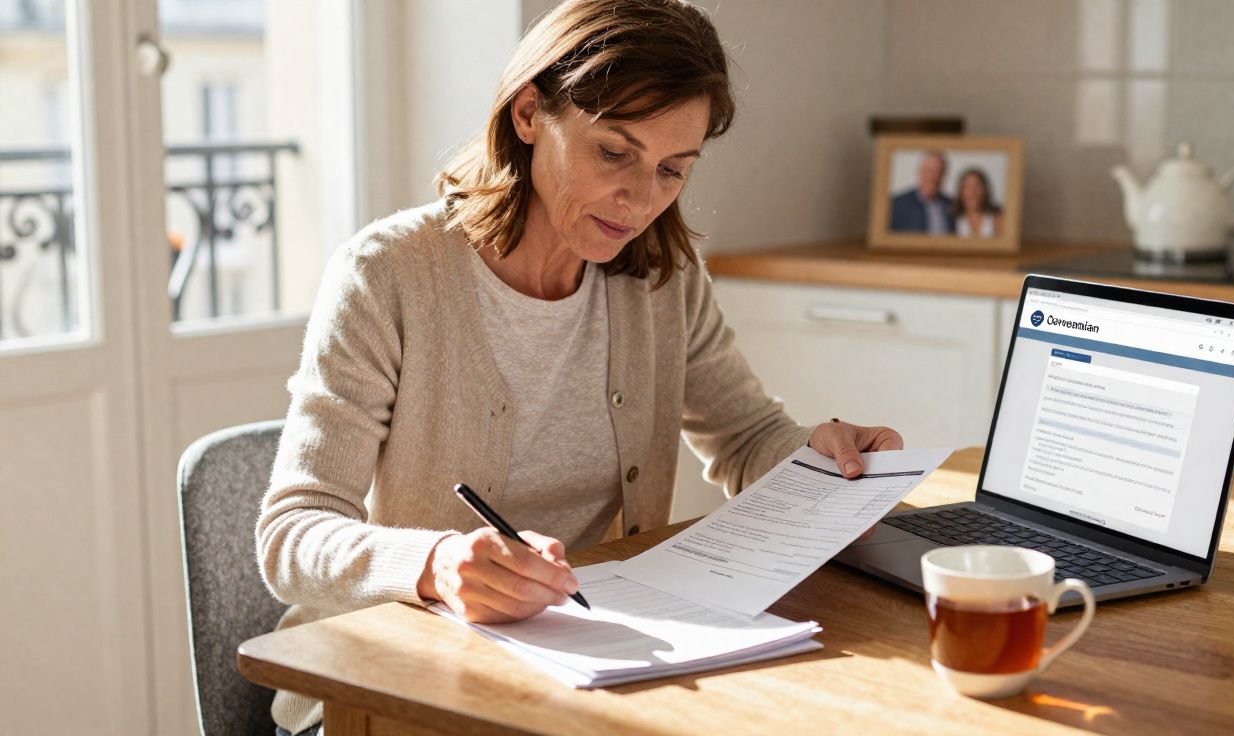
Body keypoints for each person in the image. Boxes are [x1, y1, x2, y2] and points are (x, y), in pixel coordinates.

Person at [256, 2, 903, 734]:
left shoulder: (662, 279)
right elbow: (291, 535)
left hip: (593, 677)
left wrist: (816, 455)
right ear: (530, 112)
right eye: (614, 153)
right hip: (389, 694)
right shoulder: (387, 275)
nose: (641, 199)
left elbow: (745, 436)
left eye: (671, 171)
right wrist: (436, 564)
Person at [888, 150, 951, 233]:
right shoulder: (896, 205)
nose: (933, 177)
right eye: (929, 171)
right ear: (919, 172)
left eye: (939, 172)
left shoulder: (951, 205)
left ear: (944, 175)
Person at [953, 168, 1003, 238]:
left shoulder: (998, 218)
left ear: (985, 190)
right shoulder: (952, 219)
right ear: (961, 192)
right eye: (968, 187)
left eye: (977, 186)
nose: (972, 192)